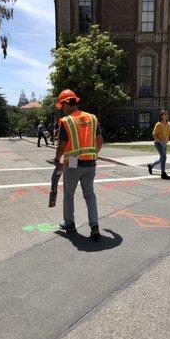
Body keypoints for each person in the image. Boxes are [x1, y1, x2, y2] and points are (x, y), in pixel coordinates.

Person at [53, 89, 103, 240]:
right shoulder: (92, 118)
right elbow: (100, 141)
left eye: (61, 106)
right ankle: (94, 226)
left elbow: (61, 146)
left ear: (66, 103)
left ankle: (70, 224)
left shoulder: (67, 121)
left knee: (69, 195)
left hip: (74, 162)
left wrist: (57, 159)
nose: (62, 110)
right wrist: (94, 154)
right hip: (90, 162)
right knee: (90, 195)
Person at [147, 110, 170, 179]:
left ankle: (151, 166)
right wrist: (160, 141)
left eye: (167, 115)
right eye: (165, 115)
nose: (167, 116)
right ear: (161, 116)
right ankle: (163, 173)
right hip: (158, 143)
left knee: (161, 158)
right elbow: (154, 135)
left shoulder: (168, 124)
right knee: (164, 157)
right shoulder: (158, 124)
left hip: (164, 144)